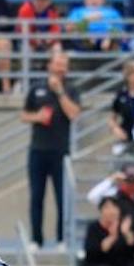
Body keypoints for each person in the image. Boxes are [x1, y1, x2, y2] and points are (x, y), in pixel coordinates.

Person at [21, 50, 82, 251]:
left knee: (61, 197)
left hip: (60, 151)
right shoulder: (36, 88)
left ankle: (61, 239)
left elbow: (74, 114)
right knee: (36, 196)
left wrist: (60, 93)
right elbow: (24, 115)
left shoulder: (71, 89)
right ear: (50, 65)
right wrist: (36, 117)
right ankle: (36, 239)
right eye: (58, 64)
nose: (61, 68)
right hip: (38, 150)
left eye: (64, 64)